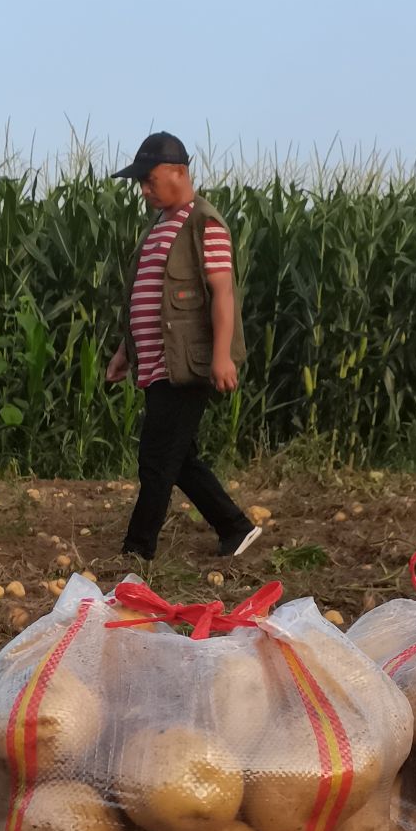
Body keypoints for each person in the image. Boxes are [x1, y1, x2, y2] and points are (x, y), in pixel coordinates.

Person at [106, 130, 258, 563]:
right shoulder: (159, 225)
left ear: (178, 172)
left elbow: (223, 293)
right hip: (156, 363)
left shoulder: (203, 223)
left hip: (187, 364)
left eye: (149, 179)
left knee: (156, 458)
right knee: (179, 457)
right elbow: (149, 298)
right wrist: (125, 352)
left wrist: (222, 355)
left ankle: (137, 550)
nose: (144, 189)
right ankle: (235, 527)